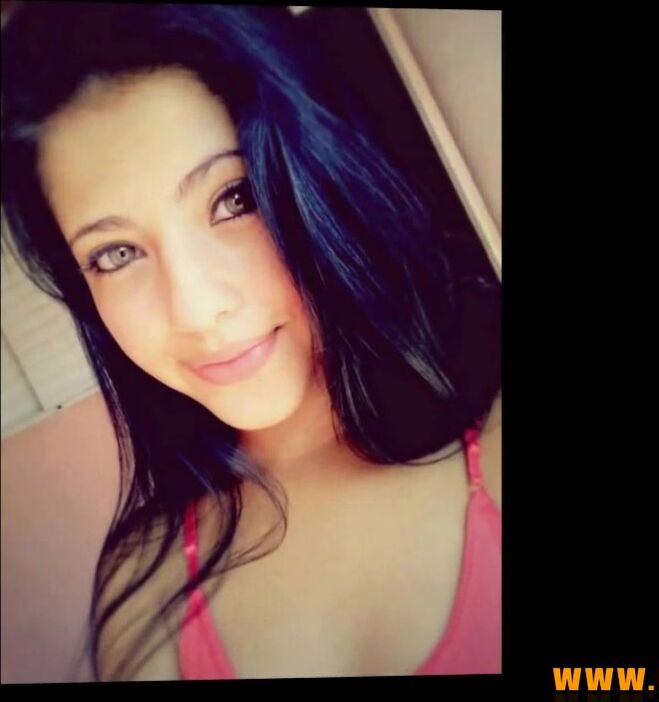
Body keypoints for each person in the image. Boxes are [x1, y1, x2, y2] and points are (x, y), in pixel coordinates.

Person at [1, 4, 501, 681]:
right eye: (116, 253)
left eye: (234, 199)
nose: (197, 310)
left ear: (317, 172)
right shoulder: (148, 592)